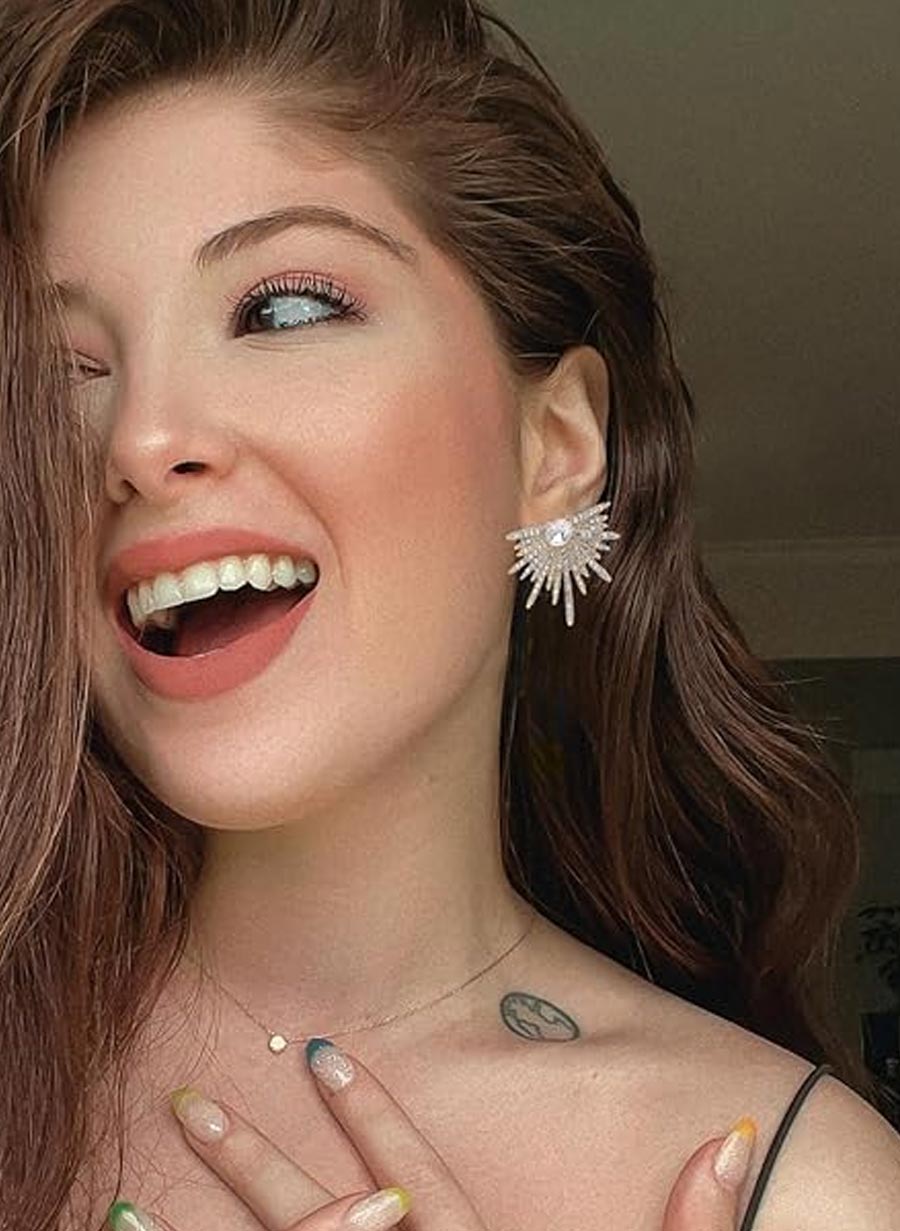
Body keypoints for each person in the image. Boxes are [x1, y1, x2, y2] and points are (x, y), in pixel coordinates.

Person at [0, 1, 897, 1229]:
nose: (141, 440)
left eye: (284, 310)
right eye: (58, 373)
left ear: (556, 447)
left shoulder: (803, 1188)